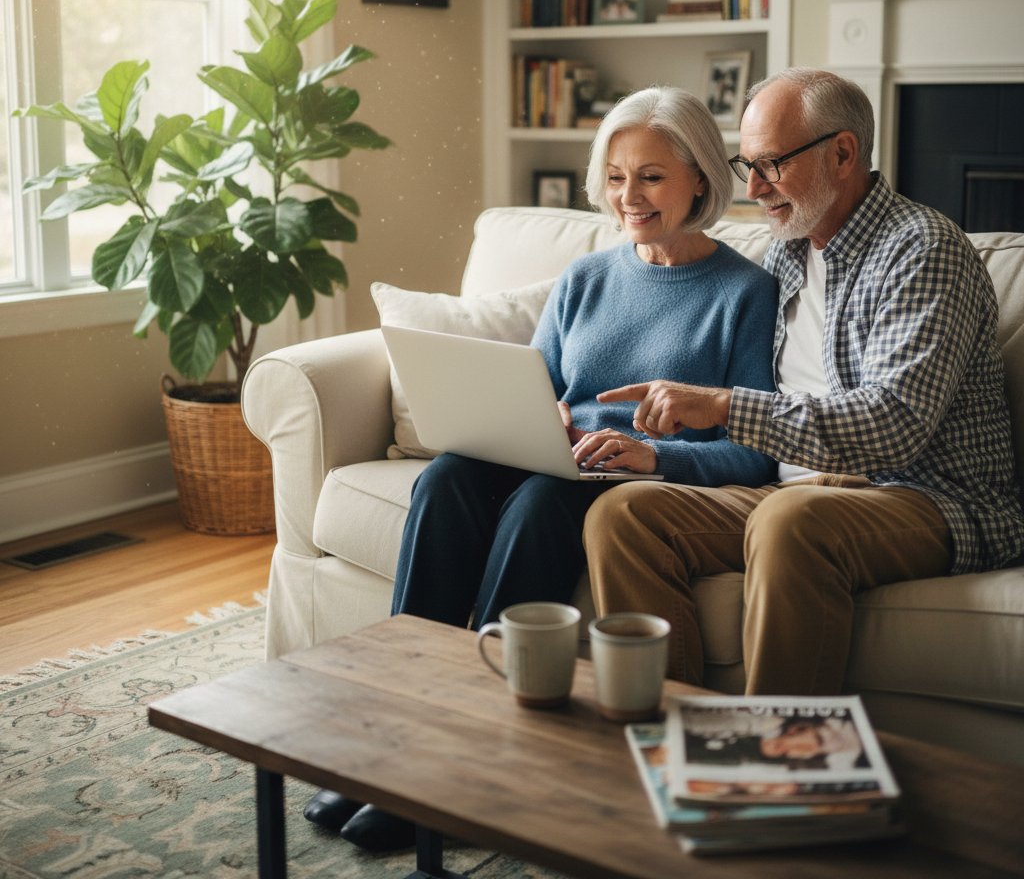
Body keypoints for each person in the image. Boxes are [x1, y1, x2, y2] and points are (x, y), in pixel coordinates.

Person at [305, 85, 780, 850]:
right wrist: (547, 413)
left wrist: (652, 452)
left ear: (699, 176)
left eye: (652, 176)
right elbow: (549, 388)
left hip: (633, 482)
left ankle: (471, 755)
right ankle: (394, 731)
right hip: (554, 458)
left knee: (535, 505)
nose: (631, 196)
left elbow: (756, 452)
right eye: (618, 176)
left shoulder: (747, 293)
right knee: (447, 477)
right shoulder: (588, 278)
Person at [584, 67, 1024, 696]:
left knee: (792, 521)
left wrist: (723, 406)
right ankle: (669, 733)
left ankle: (777, 761)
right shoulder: (787, 252)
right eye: (748, 166)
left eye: (772, 164)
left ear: (843, 153)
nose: (756, 187)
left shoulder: (923, 249)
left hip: (929, 498)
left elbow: (892, 426)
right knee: (623, 513)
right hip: (794, 490)